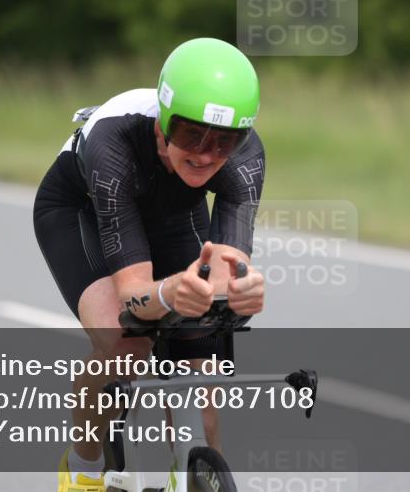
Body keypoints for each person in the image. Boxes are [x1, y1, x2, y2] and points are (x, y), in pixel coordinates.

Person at [33, 37, 267, 492]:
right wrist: (167, 293)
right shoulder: (113, 143)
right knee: (127, 344)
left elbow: (228, 270)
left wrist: (240, 293)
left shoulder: (245, 156)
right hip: (83, 209)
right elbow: (133, 295)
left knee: (201, 366)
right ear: (162, 125)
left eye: (223, 141)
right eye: (191, 135)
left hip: (174, 215)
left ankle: (190, 472)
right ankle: (83, 467)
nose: (205, 153)